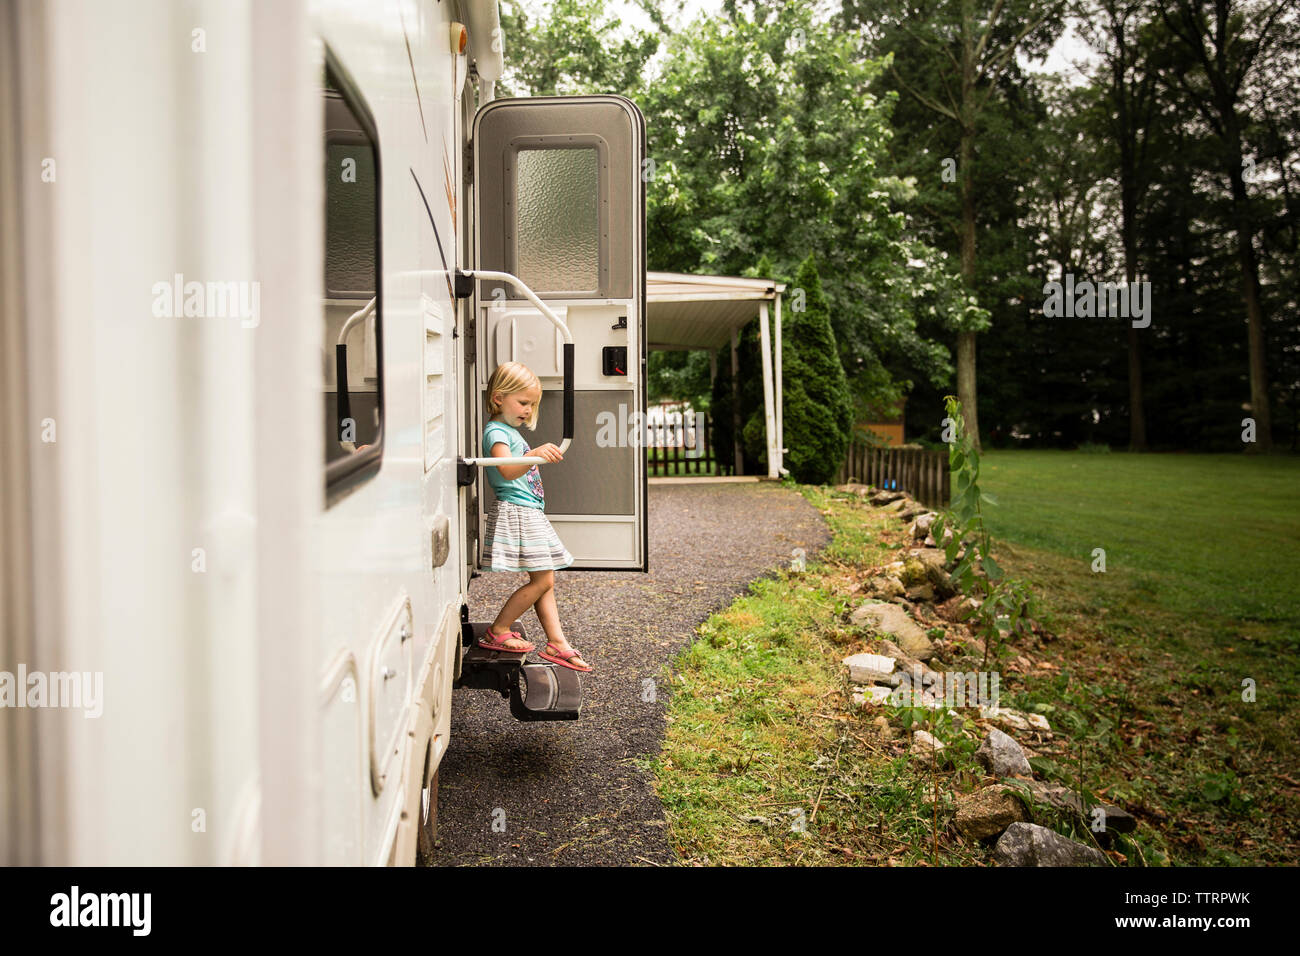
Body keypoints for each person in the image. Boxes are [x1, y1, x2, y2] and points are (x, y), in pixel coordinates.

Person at [478, 362, 591, 672]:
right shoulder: (497, 432)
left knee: (544, 579)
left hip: (528, 510)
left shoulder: (508, 430)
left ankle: (557, 642)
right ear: (499, 398)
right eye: (523, 402)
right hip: (518, 510)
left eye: (532, 405)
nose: (528, 410)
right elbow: (505, 468)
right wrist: (533, 455)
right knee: (544, 579)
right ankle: (499, 629)